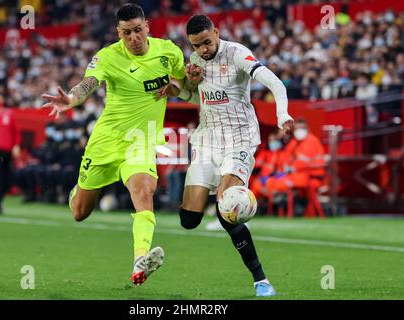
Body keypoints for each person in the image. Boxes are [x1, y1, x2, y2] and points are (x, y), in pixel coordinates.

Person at [41, 3, 196, 286]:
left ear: (147, 26)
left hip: (141, 141)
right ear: (118, 33)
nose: (134, 38)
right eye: (127, 33)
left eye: (138, 30)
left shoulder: (169, 52)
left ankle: (140, 260)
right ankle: (79, 190)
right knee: (80, 212)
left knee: (144, 191)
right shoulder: (108, 57)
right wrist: (71, 100)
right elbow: (87, 83)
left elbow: (188, 87)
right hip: (107, 141)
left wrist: (181, 87)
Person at [163, 15, 294, 297]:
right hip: (208, 140)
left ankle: (261, 280)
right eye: (197, 45)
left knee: (227, 211)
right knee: (189, 220)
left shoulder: (237, 53)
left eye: (207, 43)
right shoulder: (195, 61)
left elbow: (276, 84)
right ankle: (222, 195)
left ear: (217, 32)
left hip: (239, 139)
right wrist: (179, 89)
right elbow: (192, 96)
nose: (203, 50)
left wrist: (282, 114)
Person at [265, 118, 325, 194]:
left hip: (310, 176)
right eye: (297, 128)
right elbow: (287, 155)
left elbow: (302, 162)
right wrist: (282, 170)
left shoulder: (311, 141)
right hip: (298, 175)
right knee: (270, 183)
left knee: (275, 185)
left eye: (302, 128)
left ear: (307, 129)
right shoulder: (295, 142)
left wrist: (290, 169)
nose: (299, 130)